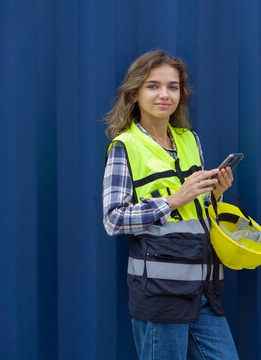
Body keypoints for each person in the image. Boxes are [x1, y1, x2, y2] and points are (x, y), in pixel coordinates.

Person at [102, 50, 239, 360]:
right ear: (134, 93)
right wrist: (174, 199)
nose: (165, 94)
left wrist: (214, 194)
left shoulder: (190, 140)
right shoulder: (126, 147)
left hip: (203, 291)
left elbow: (193, 212)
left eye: (173, 86)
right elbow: (113, 219)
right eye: (153, 86)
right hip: (160, 294)